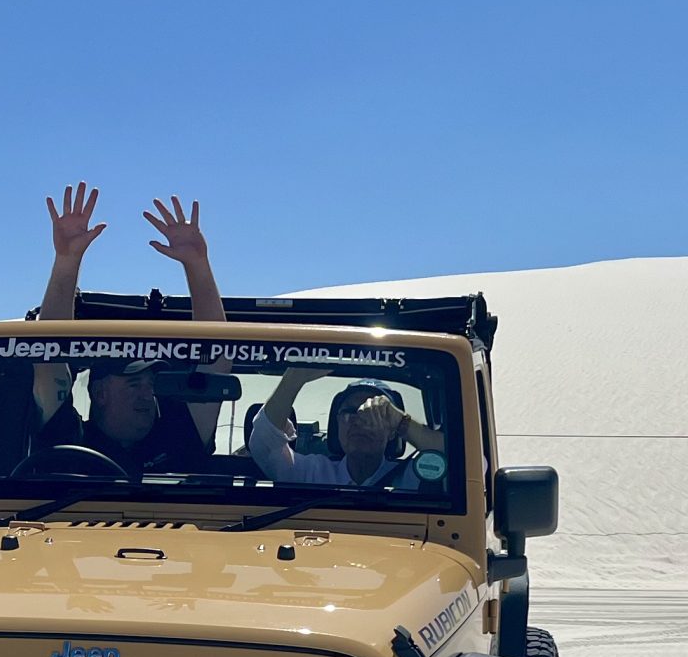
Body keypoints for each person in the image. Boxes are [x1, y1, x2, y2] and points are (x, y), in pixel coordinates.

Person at [23, 185, 233, 475]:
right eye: (135, 384)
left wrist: (197, 264)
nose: (148, 395)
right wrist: (67, 261)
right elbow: (48, 359)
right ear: (100, 392)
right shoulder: (69, 439)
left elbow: (217, 359)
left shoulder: (180, 435)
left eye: (150, 385)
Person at [250, 371, 444, 488]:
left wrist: (402, 421)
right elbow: (263, 442)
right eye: (350, 412)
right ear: (337, 425)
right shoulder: (312, 473)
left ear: (393, 431)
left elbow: (462, 461)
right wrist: (294, 378)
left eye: (376, 414)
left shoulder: (415, 475)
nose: (359, 421)